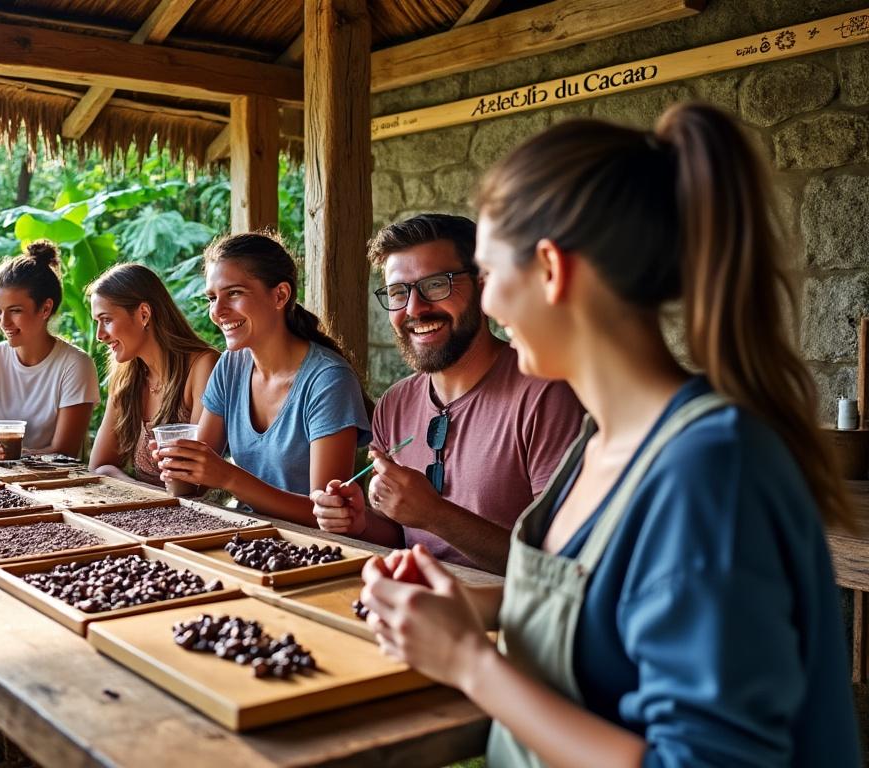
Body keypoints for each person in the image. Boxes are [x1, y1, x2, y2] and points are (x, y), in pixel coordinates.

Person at [360, 104, 859, 765]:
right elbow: (601, 603)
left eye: (489, 275)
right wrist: (476, 610)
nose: (490, 304)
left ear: (551, 270)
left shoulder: (710, 470)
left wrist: (469, 663)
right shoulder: (599, 443)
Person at [311, 214, 583, 573]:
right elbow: (400, 535)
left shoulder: (546, 395)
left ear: (483, 287)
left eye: (437, 285)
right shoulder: (394, 404)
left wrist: (435, 514)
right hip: (411, 598)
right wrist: (359, 523)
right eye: (398, 292)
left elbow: (557, 566)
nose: (414, 308)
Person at [156, 232, 371, 525]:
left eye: (234, 293)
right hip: (249, 536)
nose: (217, 311)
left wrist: (229, 477)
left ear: (280, 295)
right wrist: (177, 465)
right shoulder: (230, 366)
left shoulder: (328, 381)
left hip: (312, 545)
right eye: (212, 298)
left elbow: (326, 516)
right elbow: (194, 486)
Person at [0, 240, 100, 460]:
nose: (3, 322)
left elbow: (64, 451)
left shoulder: (75, 365)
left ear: (45, 308)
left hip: (58, 479)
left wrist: (17, 455)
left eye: (15, 311)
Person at [87, 263, 218, 486]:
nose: (100, 335)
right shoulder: (125, 377)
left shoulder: (201, 366)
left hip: (195, 506)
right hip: (142, 504)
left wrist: (126, 483)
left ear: (144, 314)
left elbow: (196, 480)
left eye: (106, 320)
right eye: (97, 322)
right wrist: (144, 492)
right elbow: (99, 467)